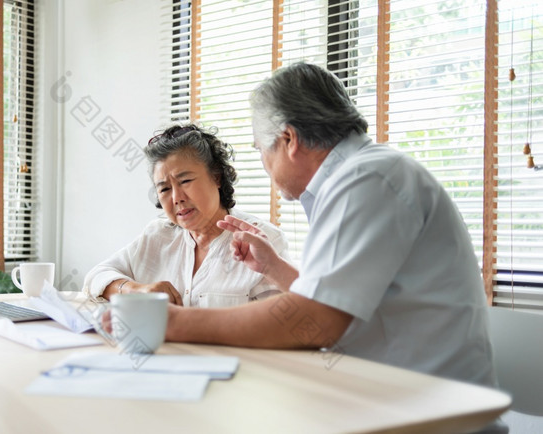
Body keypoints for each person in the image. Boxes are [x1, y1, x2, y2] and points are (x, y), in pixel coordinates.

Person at [164, 63, 501, 397]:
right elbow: (338, 304)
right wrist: (273, 267)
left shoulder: (367, 180)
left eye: (261, 148)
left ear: (289, 139)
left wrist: (172, 322)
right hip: (396, 399)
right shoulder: (366, 175)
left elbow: (316, 322)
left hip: (429, 413)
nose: (265, 163)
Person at [84, 124, 289, 308]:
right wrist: (135, 291)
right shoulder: (156, 236)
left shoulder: (262, 241)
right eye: (164, 189)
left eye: (185, 181)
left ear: (216, 177)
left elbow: (281, 322)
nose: (176, 198)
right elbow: (96, 278)